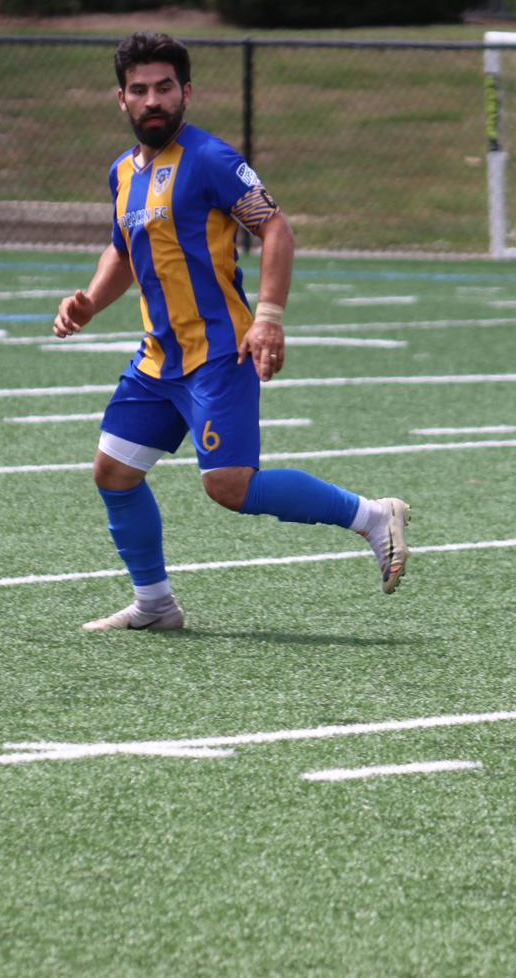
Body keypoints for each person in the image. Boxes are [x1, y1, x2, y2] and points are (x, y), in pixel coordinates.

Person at [53, 32, 411, 632]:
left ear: (186, 91)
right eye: (138, 90)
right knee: (113, 473)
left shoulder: (211, 160)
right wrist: (90, 300)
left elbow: (276, 229)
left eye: (164, 87)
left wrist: (268, 316)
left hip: (219, 354)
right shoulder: (122, 172)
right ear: (121, 99)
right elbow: (122, 250)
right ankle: (155, 605)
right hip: (157, 360)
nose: (152, 100)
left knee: (229, 486)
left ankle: (373, 516)